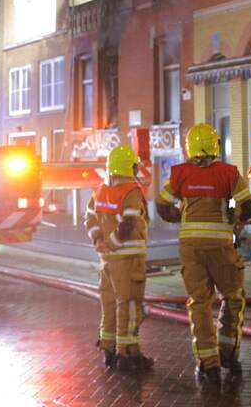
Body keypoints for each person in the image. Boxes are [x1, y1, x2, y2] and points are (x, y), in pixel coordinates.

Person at [156, 123, 251, 382]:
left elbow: (162, 204)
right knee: (233, 297)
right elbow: (247, 205)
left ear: (190, 147)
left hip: (191, 248)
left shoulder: (179, 173)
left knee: (199, 302)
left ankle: (208, 364)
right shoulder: (229, 173)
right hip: (221, 247)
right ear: (215, 145)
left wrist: (179, 216)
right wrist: (233, 214)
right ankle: (228, 353)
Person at [85, 145, 154, 372]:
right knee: (130, 304)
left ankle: (109, 349)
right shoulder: (131, 191)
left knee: (109, 303)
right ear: (128, 167)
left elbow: (90, 219)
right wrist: (112, 244)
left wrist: (99, 241)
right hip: (128, 259)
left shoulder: (99, 190)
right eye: (134, 166)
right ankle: (128, 353)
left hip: (107, 261)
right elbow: (129, 222)